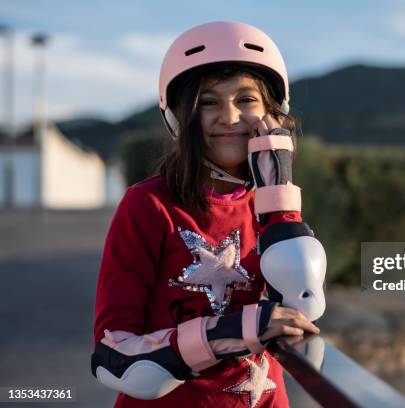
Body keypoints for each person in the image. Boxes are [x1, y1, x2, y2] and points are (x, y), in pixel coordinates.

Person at [91, 21, 326, 407]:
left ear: (273, 112)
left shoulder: (275, 206)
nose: (229, 117)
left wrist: (277, 194)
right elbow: (113, 355)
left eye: (246, 100)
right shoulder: (148, 205)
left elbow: (304, 306)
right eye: (208, 101)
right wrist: (236, 330)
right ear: (179, 116)